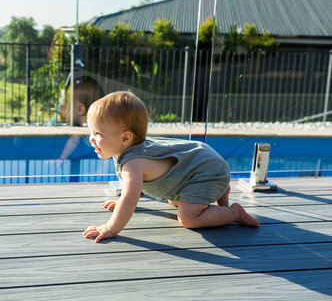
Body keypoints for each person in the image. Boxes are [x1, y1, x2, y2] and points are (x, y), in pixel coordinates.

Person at [83, 91, 260, 243]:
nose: (91, 138)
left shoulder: (133, 163)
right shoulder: (129, 151)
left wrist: (110, 227)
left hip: (208, 171)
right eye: (91, 131)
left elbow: (130, 199)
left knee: (188, 218)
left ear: (125, 138)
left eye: (97, 133)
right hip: (200, 168)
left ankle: (233, 212)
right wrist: (124, 202)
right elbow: (132, 191)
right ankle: (219, 190)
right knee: (174, 202)